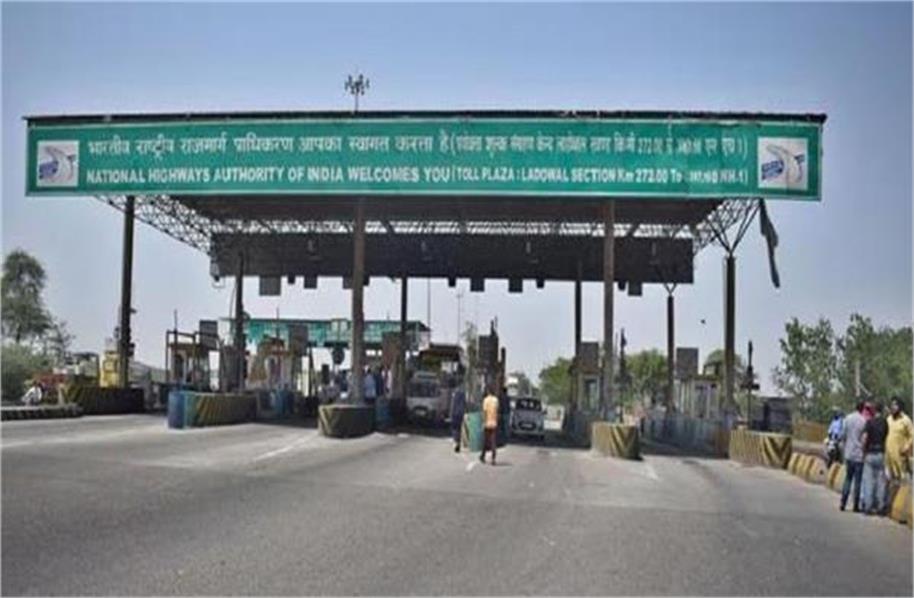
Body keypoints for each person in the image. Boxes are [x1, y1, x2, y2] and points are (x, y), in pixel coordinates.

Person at [839, 401, 868, 512]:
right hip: (859, 455)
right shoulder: (863, 421)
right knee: (857, 481)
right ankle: (856, 505)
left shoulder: (848, 418)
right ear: (862, 409)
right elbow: (864, 439)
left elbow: (843, 435)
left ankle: (843, 502)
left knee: (848, 479)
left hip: (849, 453)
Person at [861, 401, 889, 515]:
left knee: (869, 481)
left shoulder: (869, 422)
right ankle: (880, 506)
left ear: (874, 410)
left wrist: (863, 451)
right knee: (880, 482)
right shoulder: (885, 422)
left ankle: (868, 506)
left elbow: (864, 438)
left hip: (870, 453)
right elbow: (886, 437)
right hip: (881, 453)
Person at [885, 397, 913, 481]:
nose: (892, 407)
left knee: (903, 484)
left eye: (895, 405)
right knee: (891, 485)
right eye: (892, 405)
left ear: (900, 406)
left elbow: (912, 435)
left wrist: (907, 447)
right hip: (889, 460)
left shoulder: (906, 420)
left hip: (901, 459)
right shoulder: (888, 419)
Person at [480, 385, 500, 465]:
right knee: (493, 441)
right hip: (494, 423)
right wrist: (497, 421)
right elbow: (497, 411)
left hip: (487, 423)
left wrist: (483, 422)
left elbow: (484, 412)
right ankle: (493, 458)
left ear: (488, 391)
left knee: (485, 441)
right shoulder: (496, 400)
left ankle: (482, 456)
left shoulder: (486, 400)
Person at [450, 385, 466, 453]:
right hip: (461, 414)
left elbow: (452, 405)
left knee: (455, 429)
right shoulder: (463, 395)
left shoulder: (454, 395)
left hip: (455, 414)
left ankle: (456, 442)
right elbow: (464, 404)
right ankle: (458, 443)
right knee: (459, 429)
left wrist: (450, 414)